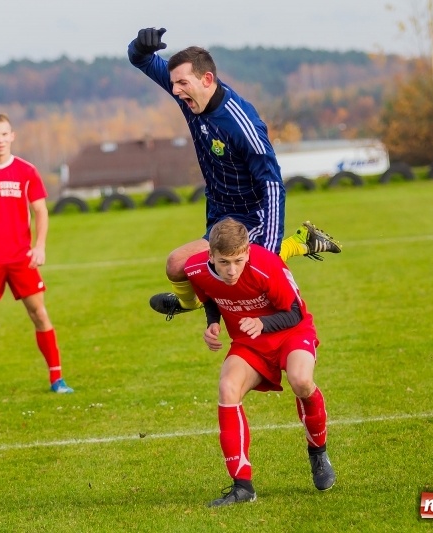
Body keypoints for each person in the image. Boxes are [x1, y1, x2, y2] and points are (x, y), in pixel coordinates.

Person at [128, 27, 341, 321]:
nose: (175, 90)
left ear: (207, 80)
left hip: (251, 216)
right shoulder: (190, 92)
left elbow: (272, 185)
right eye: (174, 83)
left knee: (219, 270)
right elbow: (141, 60)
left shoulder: (242, 125)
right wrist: (140, 47)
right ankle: (192, 302)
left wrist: (269, 246)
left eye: (181, 83)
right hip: (218, 213)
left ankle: (292, 246)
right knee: (179, 268)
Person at [184, 217, 336, 507]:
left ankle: (318, 453)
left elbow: (294, 313)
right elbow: (212, 299)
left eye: (239, 261)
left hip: (291, 332)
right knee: (228, 388)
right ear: (211, 256)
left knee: (301, 381)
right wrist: (213, 324)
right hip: (248, 343)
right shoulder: (195, 270)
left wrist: (262, 323)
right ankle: (243, 487)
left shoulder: (266, 265)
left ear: (248, 253)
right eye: (224, 262)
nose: (232, 271)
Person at [0, 113, 74, 403]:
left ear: (12, 136)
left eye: (4, 134)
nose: (0, 140)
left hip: (21, 257)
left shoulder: (27, 171)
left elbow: (40, 211)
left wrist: (40, 245)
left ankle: (57, 377)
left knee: (40, 314)